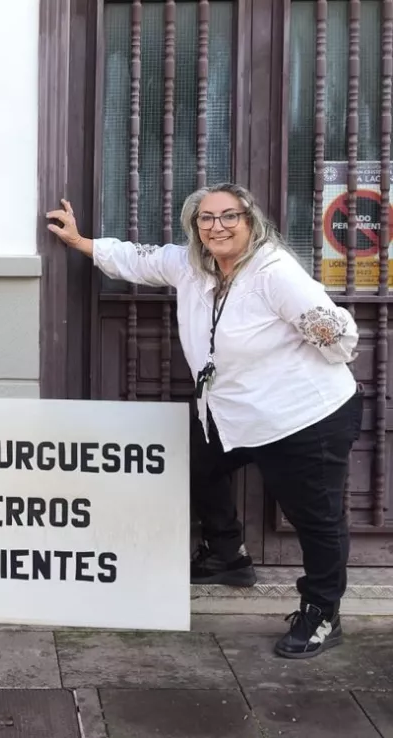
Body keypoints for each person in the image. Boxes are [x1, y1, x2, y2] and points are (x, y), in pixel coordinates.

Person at [46, 183, 361, 659]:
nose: (217, 226)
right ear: (196, 226)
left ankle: (322, 613)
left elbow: (339, 336)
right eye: (206, 218)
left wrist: (298, 360)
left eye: (229, 216)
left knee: (315, 519)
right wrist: (80, 243)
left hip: (302, 419)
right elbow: (141, 259)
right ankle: (227, 556)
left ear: (250, 221)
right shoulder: (192, 264)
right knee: (191, 466)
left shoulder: (275, 272)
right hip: (229, 412)